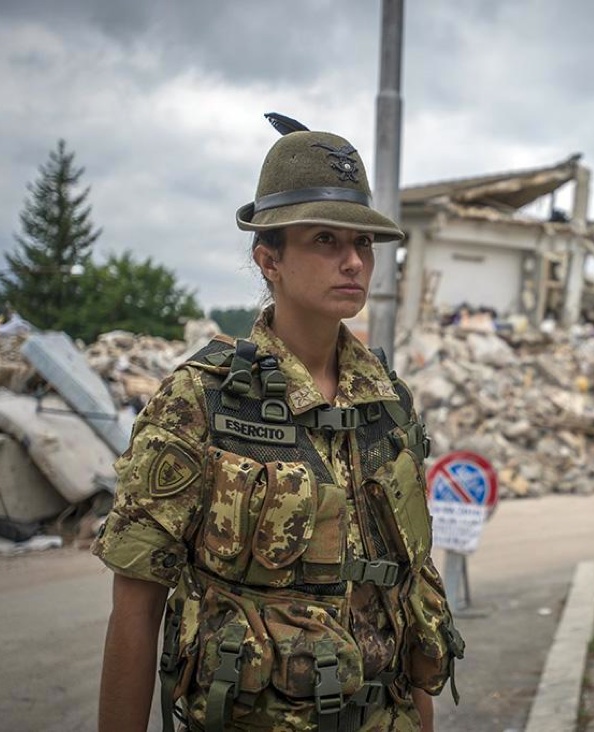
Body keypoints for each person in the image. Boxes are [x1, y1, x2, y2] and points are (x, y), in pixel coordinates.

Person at [93, 116, 463, 732]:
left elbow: (406, 598)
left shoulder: (387, 402)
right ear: (270, 259)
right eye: (325, 240)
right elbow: (136, 605)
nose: (353, 262)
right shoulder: (202, 401)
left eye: (363, 244)